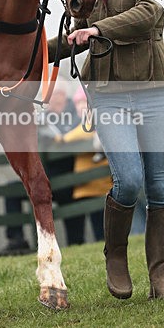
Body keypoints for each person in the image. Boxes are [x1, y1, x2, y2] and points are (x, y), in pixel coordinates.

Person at [49, 0, 164, 300]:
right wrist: (37, 54)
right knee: (128, 181)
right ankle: (116, 258)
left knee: (160, 188)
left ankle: (160, 280)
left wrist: (95, 30)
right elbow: (77, 35)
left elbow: (148, 16)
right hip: (107, 95)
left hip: (154, 91)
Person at [0, 84, 81, 256]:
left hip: (70, 182)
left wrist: (60, 138)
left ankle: (76, 243)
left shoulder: (76, 118)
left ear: (65, 97)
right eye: (52, 96)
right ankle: (16, 241)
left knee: (73, 206)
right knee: (11, 190)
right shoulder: (42, 121)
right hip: (43, 179)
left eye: (59, 95)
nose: (56, 100)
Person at [53, 87, 112, 242]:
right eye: (77, 103)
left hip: (99, 185)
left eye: (84, 103)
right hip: (84, 186)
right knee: (86, 228)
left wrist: (62, 139)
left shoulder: (94, 123)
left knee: (101, 229)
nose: (80, 107)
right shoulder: (80, 124)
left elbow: (84, 132)